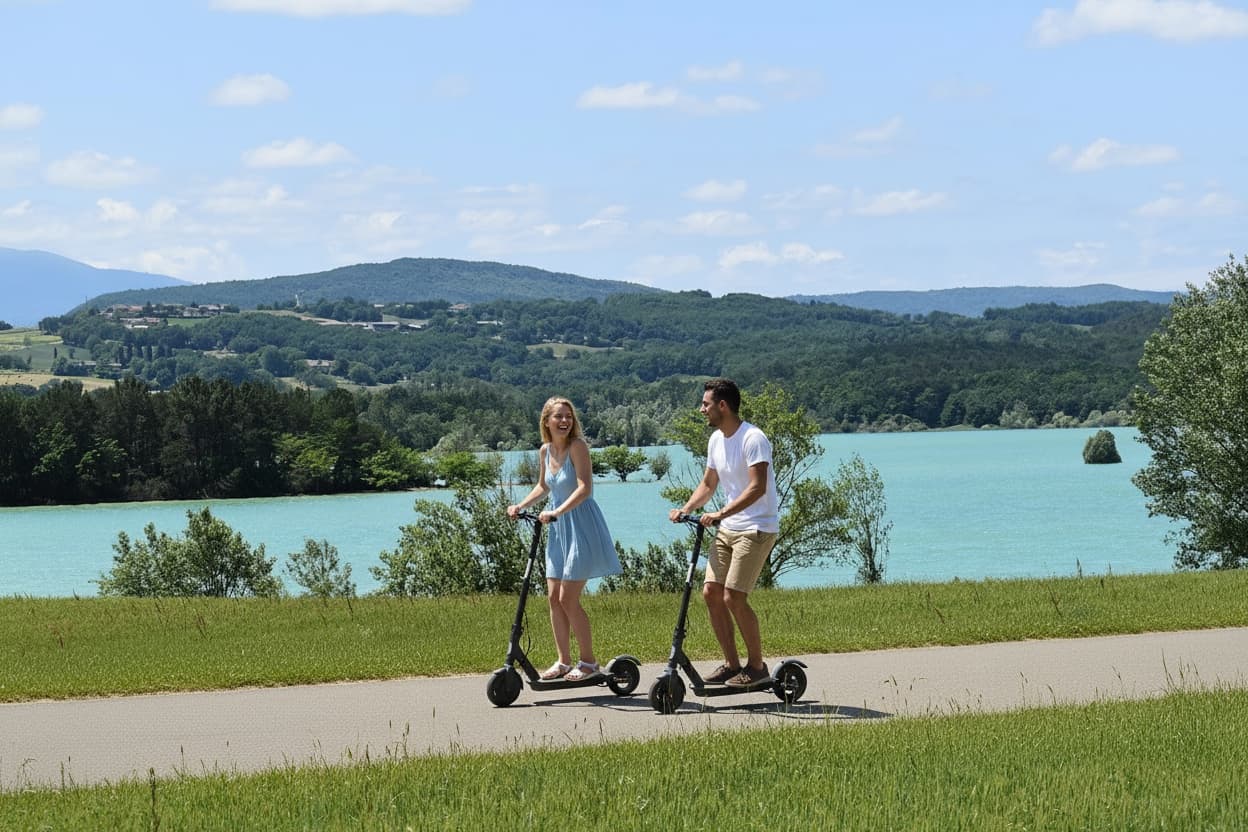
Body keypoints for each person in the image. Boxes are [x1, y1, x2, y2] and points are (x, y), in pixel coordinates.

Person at [670, 378, 779, 687]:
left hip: (757, 527)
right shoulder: (716, 440)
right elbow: (708, 484)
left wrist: (720, 513)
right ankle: (732, 665)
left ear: (722, 405)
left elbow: (757, 487)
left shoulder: (753, 438)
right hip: (729, 527)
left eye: (705, 404)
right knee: (711, 593)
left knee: (734, 597)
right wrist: (687, 509)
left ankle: (757, 667)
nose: (701, 409)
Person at [508, 396, 621, 682]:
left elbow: (584, 488)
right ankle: (563, 661)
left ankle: (589, 662)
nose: (564, 421)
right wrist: (521, 506)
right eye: (558, 416)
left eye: (568, 416)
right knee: (553, 599)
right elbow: (544, 486)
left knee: (567, 598)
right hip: (557, 529)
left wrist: (557, 510)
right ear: (546, 421)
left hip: (579, 524)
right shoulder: (545, 450)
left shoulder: (578, 447)